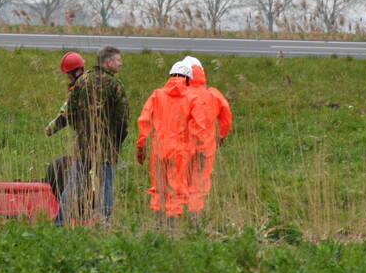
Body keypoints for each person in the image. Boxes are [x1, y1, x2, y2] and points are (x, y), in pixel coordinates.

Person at [135, 56, 232, 218]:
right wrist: (217, 137)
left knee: (159, 187)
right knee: (186, 187)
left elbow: (144, 120)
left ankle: (159, 223)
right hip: (186, 150)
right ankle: (187, 221)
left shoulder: (157, 94)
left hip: (159, 149)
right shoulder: (200, 96)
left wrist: (141, 146)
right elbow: (206, 123)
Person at [55, 45, 129, 224]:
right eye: (118, 60)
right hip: (107, 146)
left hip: (83, 144)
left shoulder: (82, 81)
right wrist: (117, 141)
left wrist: (81, 132)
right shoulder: (115, 85)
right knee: (106, 185)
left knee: (74, 182)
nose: (120, 64)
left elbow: (71, 113)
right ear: (108, 62)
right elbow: (122, 120)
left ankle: (60, 221)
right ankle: (104, 223)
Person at [44, 51, 85, 137]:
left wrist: (49, 130)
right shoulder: (90, 81)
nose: (68, 76)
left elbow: (66, 115)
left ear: (75, 72)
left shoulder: (77, 89)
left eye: (68, 73)